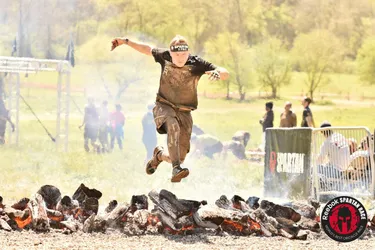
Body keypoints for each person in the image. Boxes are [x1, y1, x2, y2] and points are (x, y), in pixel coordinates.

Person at [111, 35, 229, 182]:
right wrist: (125, 42)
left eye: (183, 55)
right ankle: (176, 169)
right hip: (164, 106)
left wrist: (218, 73)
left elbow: (224, 72)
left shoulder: (197, 63)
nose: (180, 58)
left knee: (179, 157)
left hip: (185, 112)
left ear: (188, 53)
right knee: (173, 127)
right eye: (177, 55)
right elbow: (146, 49)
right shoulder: (164, 56)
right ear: (171, 53)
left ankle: (159, 156)